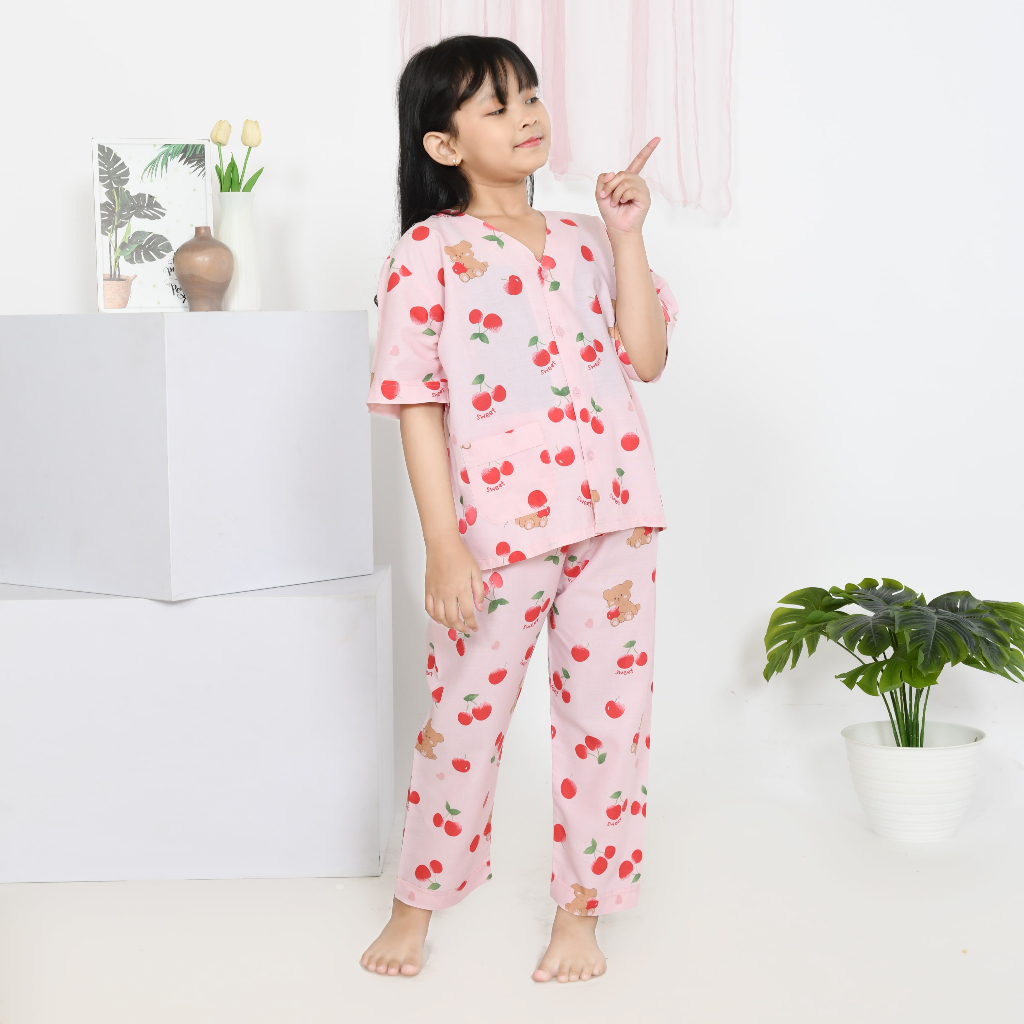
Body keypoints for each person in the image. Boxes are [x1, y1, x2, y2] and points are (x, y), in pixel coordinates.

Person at [360, 34, 678, 983]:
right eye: (496, 106)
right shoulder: (428, 252)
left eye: (530, 95)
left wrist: (628, 234)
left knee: (610, 727)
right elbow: (416, 402)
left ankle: (582, 913)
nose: (527, 115)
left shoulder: (587, 237)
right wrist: (442, 544)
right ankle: (416, 902)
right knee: (462, 722)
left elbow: (648, 358)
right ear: (444, 144)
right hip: (497, 533)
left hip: (617, 516)